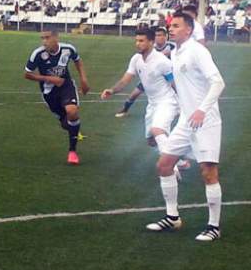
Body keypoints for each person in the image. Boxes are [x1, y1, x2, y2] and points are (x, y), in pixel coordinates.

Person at [145, 12, 225, 241]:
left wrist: (202, 109)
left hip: (205, 121)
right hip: (185, 121)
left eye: (176, 26)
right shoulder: (176, 52)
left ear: (189, 30)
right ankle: (172, 217)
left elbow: (218, 82)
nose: (171, 28)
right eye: (170, 25)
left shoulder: (197, 51)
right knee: (164, 164)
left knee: (208, 173)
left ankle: (214, 226)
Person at [100, 28, 186, 179]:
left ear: (151, 42)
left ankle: (171, 169)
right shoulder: (136, 59)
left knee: (157, 130)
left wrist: (187, 104)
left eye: (141, 41)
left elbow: (175, 84)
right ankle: (178, 160)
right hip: (152, 104)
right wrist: (111, 90)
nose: (137, 44)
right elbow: (126, 79)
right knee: (151, 141)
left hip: (168, 102)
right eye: (136, 40)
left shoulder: (163, 62)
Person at [24, 29, 90, 165]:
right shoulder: (37, 54)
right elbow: (27, 74)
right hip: (49, 92)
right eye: (42, 38)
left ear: (56, 37)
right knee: (66, 123)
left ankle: (72, 151)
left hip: (66, 85)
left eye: (47, 38)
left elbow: (78, 61)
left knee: (72, 111)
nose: (44, 41)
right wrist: (49, 78)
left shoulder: (68, 49)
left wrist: (84, 80)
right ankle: (73, 129)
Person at [114, 26, 176, 118]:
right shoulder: (150, 48)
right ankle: (125, 109)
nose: (160, 37)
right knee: (134, 94)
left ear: (166, 36)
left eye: (162, 35)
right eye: (157, 35)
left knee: (174, 91)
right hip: (150, 76)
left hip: (167, 76)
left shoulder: (172, 46)